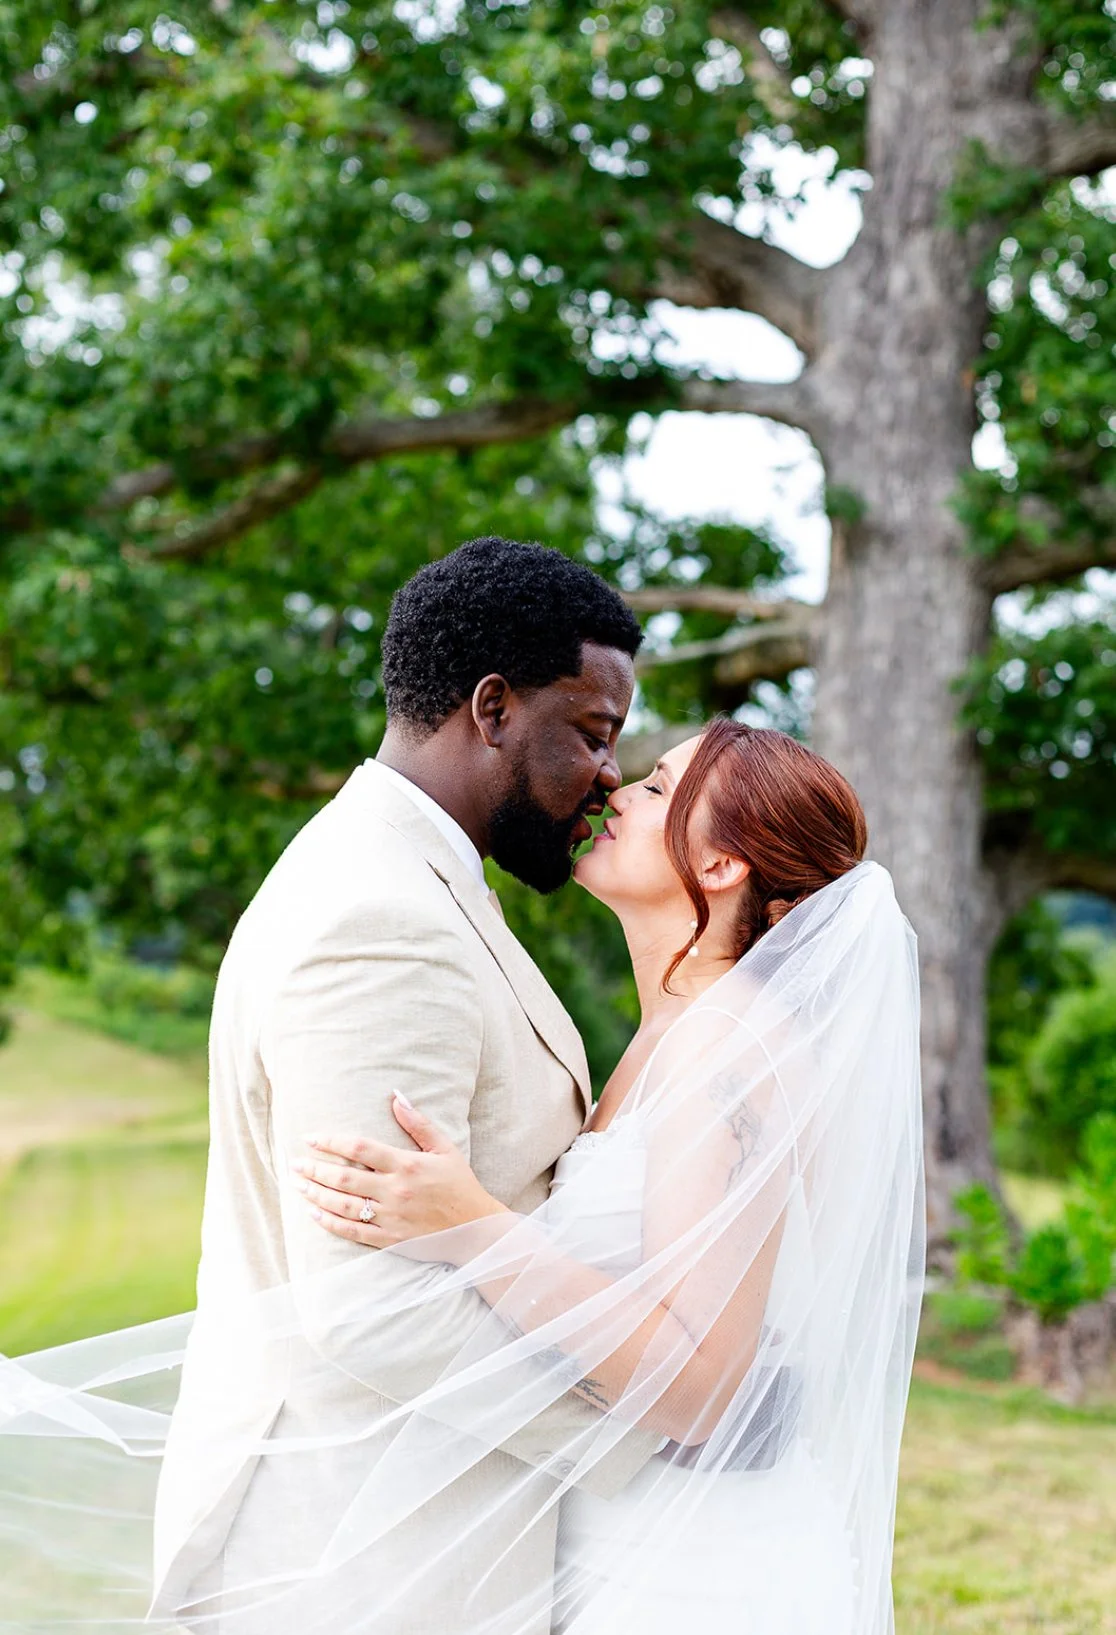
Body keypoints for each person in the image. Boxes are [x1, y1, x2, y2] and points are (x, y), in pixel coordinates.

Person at [286, 720, 926, 1635]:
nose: (616, 789)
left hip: (699, 1568)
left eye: (661, 790)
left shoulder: (727, 1046)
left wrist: (472, 1224)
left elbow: (703, 1386)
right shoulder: (673, 1032)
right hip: (619, 1520)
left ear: (721, 868)